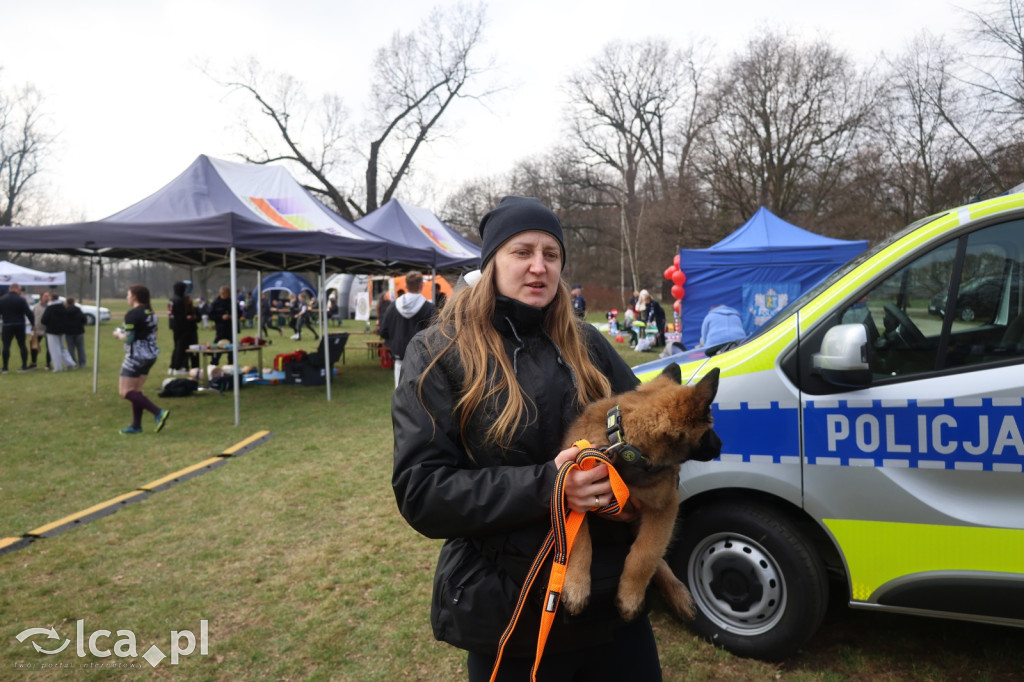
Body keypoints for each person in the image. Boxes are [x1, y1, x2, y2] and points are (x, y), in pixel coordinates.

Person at [392, 196, 661, 681]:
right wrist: (550, 487)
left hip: (612, 610)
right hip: (513, 609)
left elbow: (646, 428)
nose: (539, 267)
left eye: (551, 254)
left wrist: (643, 477)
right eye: (522, 252)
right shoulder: (438, 352)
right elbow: (422, 492)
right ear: (491, 262)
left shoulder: (589, 343)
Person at [113, 284, 169, 435]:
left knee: (125, 392)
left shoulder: (132, 314)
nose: (127, 297)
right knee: (136, 390)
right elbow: (153, 334)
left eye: (128, 294)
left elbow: (129, 338)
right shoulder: (151, 313)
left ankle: (158, 412)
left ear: (135, 297)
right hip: (150, 355)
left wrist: (118, 334)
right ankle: (136, 426)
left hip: (136, 356)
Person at [379, 270, 437, 388]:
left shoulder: (392, 307)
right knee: (420, 397)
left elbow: (384, 331)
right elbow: (436, 335)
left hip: (400, 358)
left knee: (400, 395)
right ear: (421, 285)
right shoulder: (429, 308)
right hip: (422, 360)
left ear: (406, 285)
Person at [0, 283, 35, 373]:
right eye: (19, 290)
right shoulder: (21, 300)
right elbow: (28, 313)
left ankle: (5, 368)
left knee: (6, 346)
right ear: (15, 289)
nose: (20, 292)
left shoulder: (2, 299)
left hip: (7, 325)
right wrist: (33, 324)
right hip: (19, 324)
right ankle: (23, 366)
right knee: (22, 345)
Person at [168, 281, 199, 374]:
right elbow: (181, 316)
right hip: (181, 327)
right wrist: (188, 319)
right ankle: (178, 367)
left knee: (176, 346)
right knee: (181, 348)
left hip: (174, 325)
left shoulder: (172, 299)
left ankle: (173, 366)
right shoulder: (179, 300)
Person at [41, 293, 71, 371]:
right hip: (62, 330)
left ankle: (58, 367)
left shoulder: (50, 308)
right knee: (62, 348)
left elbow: (44, 320)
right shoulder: (62, 307)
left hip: (52, 331)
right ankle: (69, 363)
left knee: (54, 349)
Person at [208, 285, 235, 365]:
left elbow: (239, 312)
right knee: (218, 347)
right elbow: (210, 315)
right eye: (227, 293)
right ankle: (214, 363)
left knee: (232, 349)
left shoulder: (232, 301)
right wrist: (221, 317)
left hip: (231, 328)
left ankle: (231, 364)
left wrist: (232, 316)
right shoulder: (216, 303)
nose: (229, 294)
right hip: (221, 329)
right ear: (222, 293)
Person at [64, 296, 88, 368]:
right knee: (80, 347)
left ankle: (73, 362)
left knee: (71, 348)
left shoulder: (65, 311)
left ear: (67, 302)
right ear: (74, 302)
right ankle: (82, 363)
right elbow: (84, 319)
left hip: (69, 332)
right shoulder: (78, 310)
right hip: (79, 331)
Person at [30, 290, 51, 369]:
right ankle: (34, 363)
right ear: (41, 297)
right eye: (45, 296)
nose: (47, 297)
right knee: (34, 347)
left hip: (48, 330)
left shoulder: (50, 307)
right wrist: (33, 325)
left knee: (49, 348)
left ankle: (48, 364)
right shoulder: (36, 306)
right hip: (37, 330)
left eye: (48, 296)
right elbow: (32, 317)